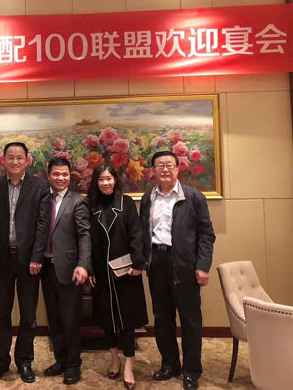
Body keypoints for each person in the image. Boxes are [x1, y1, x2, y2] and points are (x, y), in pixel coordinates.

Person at [140, 151, 216, 390]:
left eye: (169, 165)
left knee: (190, 320)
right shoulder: (147, 199)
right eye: (159, 165)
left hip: (185, 263)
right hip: (157, 261)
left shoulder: (193, 197)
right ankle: (169, 364)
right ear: (153, 170)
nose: (165, 169)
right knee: (162, 318)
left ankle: (191, 371)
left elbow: (206, 234)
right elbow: (143, 234)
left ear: (177, 168)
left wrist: (202, 266)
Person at [0, 142, 51, 383]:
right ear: (3, 160)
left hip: (28, 261)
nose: (15, 161)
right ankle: (1, 361)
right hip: (2, 260)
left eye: (19, 157)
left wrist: (37, 257)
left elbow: (43, 224)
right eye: (10, 157)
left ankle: (24, 361)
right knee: (1, 314)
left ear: (27, 160)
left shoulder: (40, 186)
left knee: (28, 315)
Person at [88, 164, 148, 390]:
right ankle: (114, 359)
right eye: (101, 179)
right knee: (107, 319)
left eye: (109, 178)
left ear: (115, 180)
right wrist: (90, 269)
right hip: (101, 273)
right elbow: (87, 240)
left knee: (127, 320)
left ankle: (128, 365)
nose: (105, 183)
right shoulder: (90, 206)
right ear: (96, 182)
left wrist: (138, 263)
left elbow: (137, 235)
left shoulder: (126, 203)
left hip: (126, 271)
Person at [40, 158, 91, 385]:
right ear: (48, 175)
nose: (60, 178)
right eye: (56, 174)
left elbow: (84, 235)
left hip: (70, 269)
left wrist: (83, 264)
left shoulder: (78, 202)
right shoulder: (43, 200)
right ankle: (60, 360)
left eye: (65, 174)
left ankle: (73, 364)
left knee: (70, 320)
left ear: (70, 176)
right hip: (46, 268)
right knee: (54, 319)